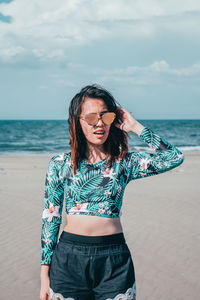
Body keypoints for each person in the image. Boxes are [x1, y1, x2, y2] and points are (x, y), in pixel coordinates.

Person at [40, 84, 184, 300]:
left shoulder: (124, 163)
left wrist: (135, 126)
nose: (99, 124)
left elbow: (173, 157)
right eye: (91, 118)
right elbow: (50, 218)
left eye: (105, 117)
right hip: (68, 259)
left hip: (113, 260)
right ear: (77, 122)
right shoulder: (60, 164)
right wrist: (44, 275)